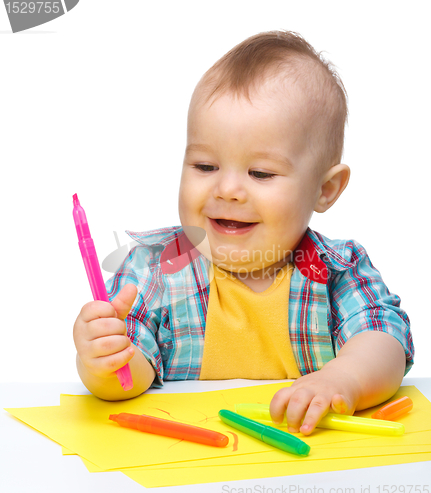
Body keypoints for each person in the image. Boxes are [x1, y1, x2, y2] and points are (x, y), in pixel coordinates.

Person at [73, 30, 414, 435]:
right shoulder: (154, 269)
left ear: (325, 189)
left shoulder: (337, 270)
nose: (228, 190)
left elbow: (385, 336)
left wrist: (344, 380)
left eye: (260, 173)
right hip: (192, 468)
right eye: (204, 166)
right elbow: (128, 376)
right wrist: (104, 360)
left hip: (306, 468)